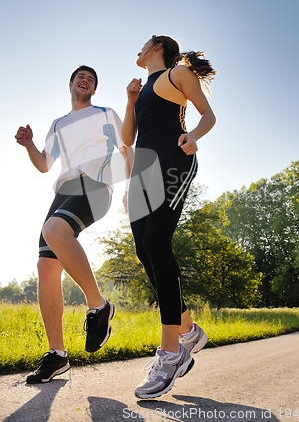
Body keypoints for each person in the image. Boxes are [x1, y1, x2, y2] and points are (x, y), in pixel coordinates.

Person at [15, 65, 132, 384]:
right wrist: (29, 146)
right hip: (64, 189)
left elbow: (126, 147)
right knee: (45, 266)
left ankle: (99, 305)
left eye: (91, 80)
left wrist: (129, 188)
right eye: (81, 77)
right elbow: (44, 165)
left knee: (54, 230)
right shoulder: (58, 124)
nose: (85, 81)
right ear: (70, 84)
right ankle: (57, 356)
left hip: (95, 185)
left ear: (94, 90)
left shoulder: (106, 113)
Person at [122, 35, 216, 398]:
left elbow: (208, 114)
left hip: (174, 161)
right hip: (143, 171)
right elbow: (129, 138)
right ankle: (189, 330)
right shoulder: (143, 88)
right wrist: (130, 100)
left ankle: (172, 352)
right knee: (144, 251)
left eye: (144, 43)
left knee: (156, 243)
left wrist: (193, 136)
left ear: (158, 46)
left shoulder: (177, 73)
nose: (138, 48)